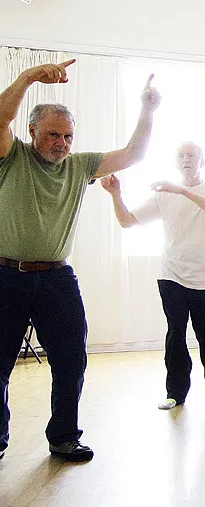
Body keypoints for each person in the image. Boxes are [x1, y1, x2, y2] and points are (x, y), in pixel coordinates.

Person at [0, 60, 161, 462]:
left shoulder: (80, 165)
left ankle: (64, 437)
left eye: (68, 136)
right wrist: (28, 77)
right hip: (6, 277)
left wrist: (147, 110)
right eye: (53, 134)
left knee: (71, 361)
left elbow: (133, 154)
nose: (62, 143)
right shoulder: (11, 155)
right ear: (33, 131)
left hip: (57, 279)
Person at [100, 142, 205, 410]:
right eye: (180, 155)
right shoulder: (164, 195)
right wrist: (115, 194)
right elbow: (127, 220)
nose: (186, 159)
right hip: (172, 275)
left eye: (191, 155)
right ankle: (175, 392)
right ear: (176, 162)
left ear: (201, 161)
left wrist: (181, 190)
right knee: (176, 334)